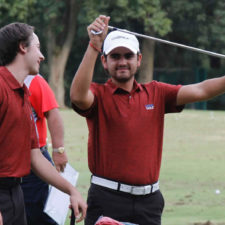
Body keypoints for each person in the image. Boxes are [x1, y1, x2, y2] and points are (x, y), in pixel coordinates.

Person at [70, 15, 225, 225]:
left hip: (149, 201)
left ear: (139, 60)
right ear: (105, 62)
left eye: (128, 55)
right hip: (107, 198)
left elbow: (200, 90)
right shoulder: (98, 94)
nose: (122, 61)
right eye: (115, 56)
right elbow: (78, 96)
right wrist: (94, 46)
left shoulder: (156, 93)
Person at [0, 22, 87, 225]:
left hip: (15, 194)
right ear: (23, 47)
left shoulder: (23, 93)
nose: (42, 56)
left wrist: (70, 190)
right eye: (37, 47)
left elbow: (35, 157)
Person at [21, 74, 68, 225]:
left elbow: (53, 113)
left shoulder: (33, 80)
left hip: (35, 161)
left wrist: (58, 149)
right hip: (9, 161)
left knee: (38, 214)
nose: (40, 57)